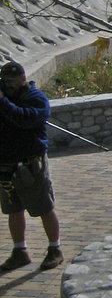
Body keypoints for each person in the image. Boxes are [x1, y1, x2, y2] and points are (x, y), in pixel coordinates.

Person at [0, 61, 62, 271]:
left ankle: (55, 249)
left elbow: (24, 119)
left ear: (22, 78)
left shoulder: (36, 99)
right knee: (13, 209)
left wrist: (3, 102)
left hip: (31, 163)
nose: (7, 85)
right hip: (7, 164)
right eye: (4, 81)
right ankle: (20, 251)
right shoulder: (6, 99)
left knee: (44, 206)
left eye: (10, 81)